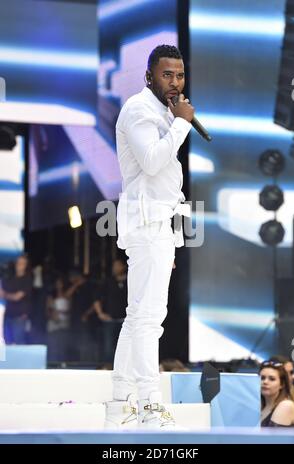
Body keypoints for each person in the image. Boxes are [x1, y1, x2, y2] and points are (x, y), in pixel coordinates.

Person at [105, 44, 194, 429]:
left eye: (179, 75)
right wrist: (182, 124)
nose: (174, 82)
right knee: (148, 319)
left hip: (160, 224)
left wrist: (172, 237)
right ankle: (148, 404)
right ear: (148, 76)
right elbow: (153, 161)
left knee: (140, 313)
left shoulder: (163, 111)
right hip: (144, 223)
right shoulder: (139, 109)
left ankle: (120, 399)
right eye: (166, 75)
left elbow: (165, 181)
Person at [0, 254, 32, 344]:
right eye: (18, 263)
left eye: (22, 263)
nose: (19, 265)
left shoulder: (27, 279)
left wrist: (5, 295)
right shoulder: (10, 278)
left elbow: (17, 297)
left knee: (19, 342)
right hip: (8, 315)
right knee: (7, 342)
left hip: (19, 317)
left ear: (25, 265)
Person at [260, 360, 294, 427]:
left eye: (272, 379)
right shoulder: (260, 407)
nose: (265, 382)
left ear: (282, 384)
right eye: (262, 378)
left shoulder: (286, 405)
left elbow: (271, 437)